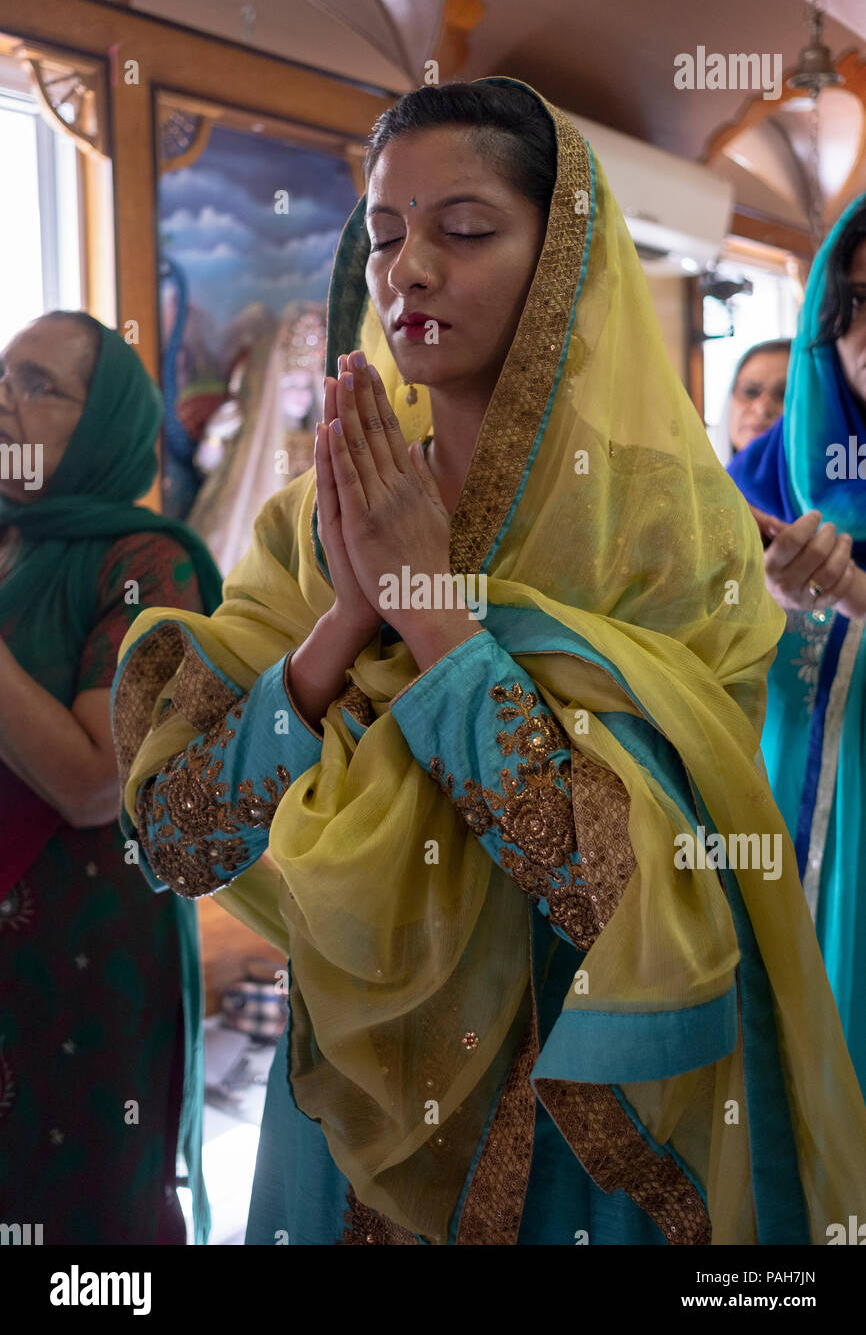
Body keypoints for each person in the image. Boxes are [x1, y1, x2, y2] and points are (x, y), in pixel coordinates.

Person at [111, 79, 866, 1247]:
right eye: (383, 234)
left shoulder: (668, 532)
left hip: (574, 1115)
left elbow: (622, 894)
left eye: (463, 231)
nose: (408, 269)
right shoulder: (312, 523)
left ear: (559, 257)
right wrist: (334, 631)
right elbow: (180, 837)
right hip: (344, 1116)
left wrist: (430, 615)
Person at [0, 311, 222, 1243]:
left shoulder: (147, 562)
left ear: (105, 424)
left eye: (38, 384)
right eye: (3, 377)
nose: (5, 401)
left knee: (80, 1210)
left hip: (81, 949)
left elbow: (97, 781)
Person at [729, 194, 866, 1099]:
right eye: (858, 305)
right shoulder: (765, 477)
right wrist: (760, 601)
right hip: (777, 813)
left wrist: (856, 593)